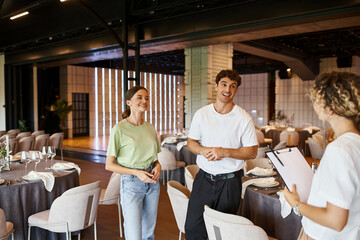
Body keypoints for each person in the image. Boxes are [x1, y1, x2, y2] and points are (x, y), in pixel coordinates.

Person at [283, 72, 360, 240]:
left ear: (330, 108)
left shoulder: (339, 150)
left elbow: (335, 220)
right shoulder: (355, 143)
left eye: (316, 100)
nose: (314, 104)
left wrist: (296, 204)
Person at [184, 69, 258, 240]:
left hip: (230, 183)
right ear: (216, 86)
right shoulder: (202, 114)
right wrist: (203, 151)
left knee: (224, 233)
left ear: (236, 90)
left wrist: (224, 152)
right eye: (224, 84)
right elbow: (191, 143)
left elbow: (252, 151)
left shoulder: (243, 117)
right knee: (194, 229)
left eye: (233, 86)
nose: (228, 89)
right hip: (203, 180)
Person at [105, 86, 161, 240]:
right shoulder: (119, 129)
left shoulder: (150, 128)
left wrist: (159, 165)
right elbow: (109, 165)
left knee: (149, 233)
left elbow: (154, 158)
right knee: (134, 234)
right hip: (131, 183)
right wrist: (137, 173)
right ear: (128, 102)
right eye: (140, 97)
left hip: (153, 181)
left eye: (147, 98)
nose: (144, 101)